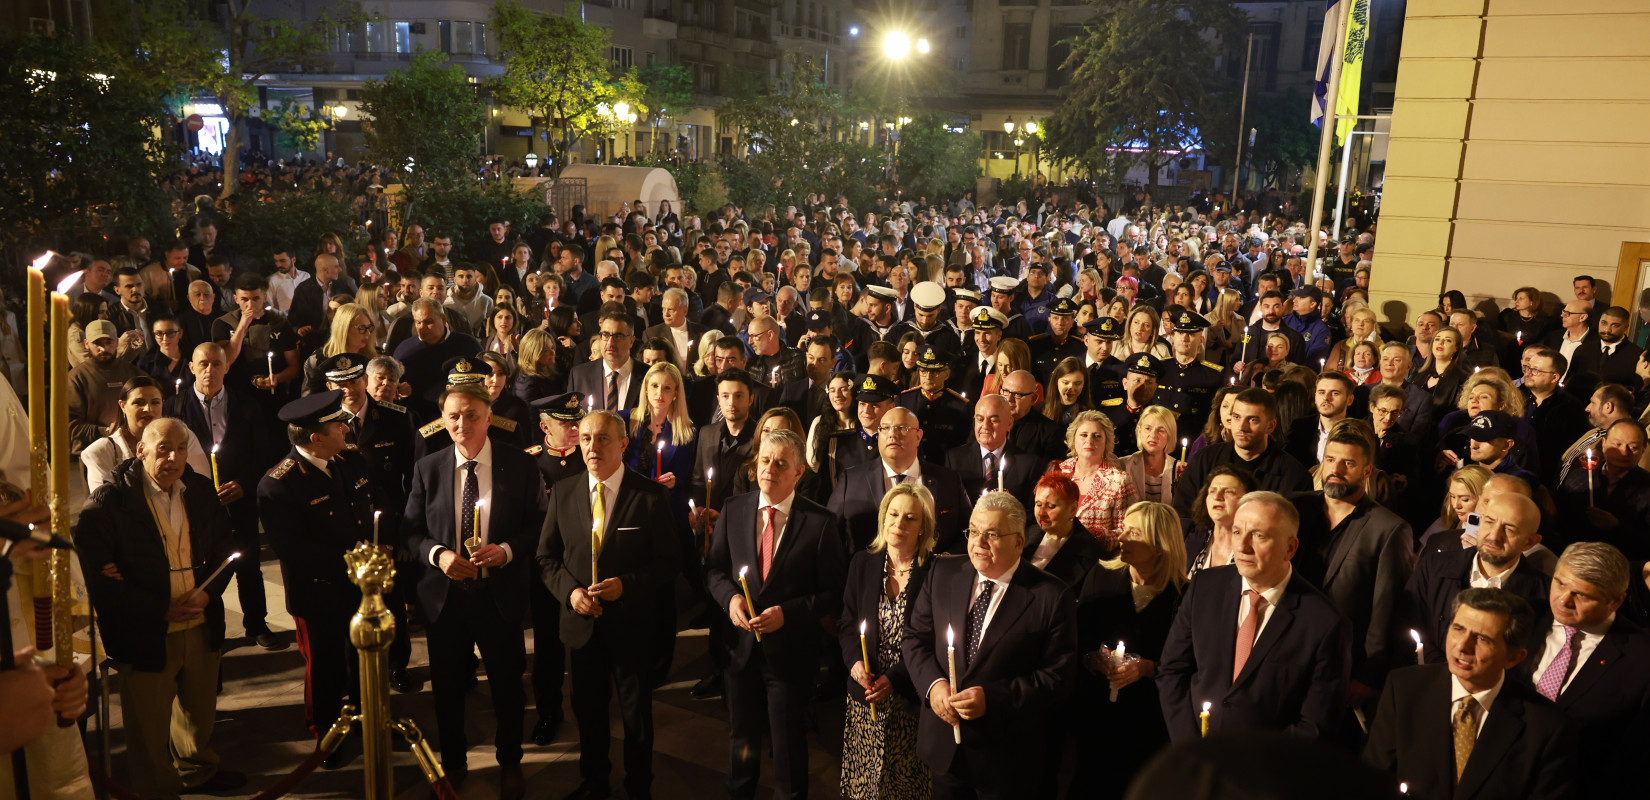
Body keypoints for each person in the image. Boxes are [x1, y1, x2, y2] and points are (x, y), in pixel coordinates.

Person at [76, 419, 247, 798]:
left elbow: (225, 550)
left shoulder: (200, 491)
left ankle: (197, 770)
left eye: (181, 449)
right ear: (140, 450)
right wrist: (158, 607)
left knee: (198, 713)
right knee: (148, 727)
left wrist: (209, 593)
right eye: (163, 448)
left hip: (201, 624)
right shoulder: (110, 502)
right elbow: (97, 577)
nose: (173, 457)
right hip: (145, 632)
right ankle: (157, 791)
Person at [402, 383, 546, 796]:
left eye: (470, 415)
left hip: (498, 595)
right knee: (447, 688)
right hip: (445, 599)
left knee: (506, 685)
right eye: (452, 416)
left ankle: (510, 761)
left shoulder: (518, 465)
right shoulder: (428, 468)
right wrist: (438, 556)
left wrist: (505, 550)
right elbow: (410, 533)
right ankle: (453, 764)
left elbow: (539, 526)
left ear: (488, 417)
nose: (461, 424)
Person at [536, 410, 678, 800]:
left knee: (636, 715)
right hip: (581, 627)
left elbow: (669, 563)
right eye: (585, 439)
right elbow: (546, 558)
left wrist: (626, 586)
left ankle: (638, 785)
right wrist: (571, 593)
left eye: (602, 439)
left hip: (632, 624)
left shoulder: (648, 495)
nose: (592, 447)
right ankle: (594, 781)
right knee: (588, 711)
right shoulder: (564, 492)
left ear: (622, 444)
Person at [901, 491, 1078, 800]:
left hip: (1006, 759)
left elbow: (1057, 677)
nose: (978, 543)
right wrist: (934, 686)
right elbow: (915, 638)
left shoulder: (1050, 595)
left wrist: (992, 699)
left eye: (992, 535)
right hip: (945, 749)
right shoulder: (943, 573)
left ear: (1019, 542)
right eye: (974, 531)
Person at [704, 428, 847, 800]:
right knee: (741, 737)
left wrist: (789, 612)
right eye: (765, 460)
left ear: (798, 472)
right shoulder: (735, 509)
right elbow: (714, 571)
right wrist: (731, 601)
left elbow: (834, 593)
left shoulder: (819, 522)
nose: (770, 469)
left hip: (789, 655)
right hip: (739, 649)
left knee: (787, 744)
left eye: (781, 463)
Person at [1156, 491, 1352, 742]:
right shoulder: (1204, 588)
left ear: (1290, 548)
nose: (1242, 546)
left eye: (1258, 535)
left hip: (1264, 774)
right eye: (1237, 532)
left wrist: (1247, 766)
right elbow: (1172, 671)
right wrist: (1191, 747)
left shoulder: (1325, 623)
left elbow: (1315, 727)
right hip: (1195, 761)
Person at [256, 391, 381, 766]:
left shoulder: (349, 461)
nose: (346, 428)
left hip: (359, 586)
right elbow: (295, 550)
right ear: (315, 438)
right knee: (325, 668)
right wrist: (354, 561)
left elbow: (367, 512)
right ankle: (328, 736)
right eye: (337, 425)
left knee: (362, 661)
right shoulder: (278, 484)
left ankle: (367, 721)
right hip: (320, 592)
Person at [1362, 588, 1573, 800]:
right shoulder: (1403, 689)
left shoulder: (1545, 728)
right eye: (1458, 629)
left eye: (1482, 638)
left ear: (1514, 658)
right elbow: (1373, 782)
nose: (1462, 646)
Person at [1290, 419, 1414, 712]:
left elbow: (1386, 611)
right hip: (1287, 650)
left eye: (1348, 463)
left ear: (1366, 470)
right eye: (1330, 460)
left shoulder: (1389, 529)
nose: (1336, 470)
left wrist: (1367, 677)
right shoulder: (1294, 508)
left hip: (1342, 664)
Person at [1070, 501, 1188, 800]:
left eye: (1133, 532)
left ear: (1159, 545)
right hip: (1097, 719)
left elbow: (1191, 663)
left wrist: (1148, 668)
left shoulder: (1185, 597)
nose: (1120, 537)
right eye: (1123, 528)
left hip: (1149, 725)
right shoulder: (1101, 577)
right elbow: (1076, 640)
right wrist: (1092, 658)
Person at [1518, 542, 1650, 796]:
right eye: (1560, 583)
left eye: (1582, 595)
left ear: (1616, 601)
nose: (1563, 600)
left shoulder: (1642, 659)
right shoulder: (1522, 617)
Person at [838, 482, 937, 800]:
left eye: (910, 518)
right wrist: (855, 664)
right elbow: (847, 626)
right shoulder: (862, 563)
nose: (899, 524)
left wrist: (894, 679)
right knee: (864, 787)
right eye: (893, 514)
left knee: (904, 788)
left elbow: (930, 642)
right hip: (865, 698)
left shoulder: (935, 572)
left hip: (909, 699)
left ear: (923, 527)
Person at [1405, 492, 1549, 665]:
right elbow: (1407, 626)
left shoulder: (1544, 595)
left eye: (1509, 529)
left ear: (1530, 542)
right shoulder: (1433, 567)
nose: (1494, 536)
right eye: (1489, 522)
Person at [828, 406, 972, 554]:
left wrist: (947, 559)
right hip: (868, 573)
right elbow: (830, 535)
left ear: (918, 436)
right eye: (885, 428)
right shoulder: (851, 480)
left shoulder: (948, 480)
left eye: (901, 428)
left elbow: (970, 531)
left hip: (933, 573)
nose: (892, 435)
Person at [1172, 388, 1313, 524]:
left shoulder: (1294, 475)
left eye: (1252, 420)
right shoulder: (1204, 460)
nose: (1241, 427)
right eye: (1236, 417)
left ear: (1271, 426)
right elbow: (1182, 516)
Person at [82, 376, 211, 494]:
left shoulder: (183, 436)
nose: (148, 409)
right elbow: (104, 504)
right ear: (123, 406)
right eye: (139, 402)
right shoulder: (100, 451)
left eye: (155, 402)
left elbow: (201, 485)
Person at [944, 393, 1046, 502]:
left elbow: (1032, 512)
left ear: (1009, 423)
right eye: (980, 419)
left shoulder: (1028, 464)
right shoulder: (955, 459)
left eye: (993, 420)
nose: (985, 426)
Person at [1022, 472, 1108, 591]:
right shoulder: (1024, 534)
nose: (1041, 513)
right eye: (1038, 504)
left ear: (1072, 509)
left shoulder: (1092, 557)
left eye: (1051, 506)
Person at [68, 319, 145, 449]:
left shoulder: (133, 373)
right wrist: (106, 431)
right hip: (93, 452)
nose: (104, 348)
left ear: (116, 342)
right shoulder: (77, 377)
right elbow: (69, 425)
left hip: (134, 449)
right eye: (97, 343)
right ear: (86, 344)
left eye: (109, 342)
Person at [896, 345, 973, 464]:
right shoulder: (904, 400)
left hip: (944, 467)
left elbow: (962, 446)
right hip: (910, 463)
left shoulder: (961, 406)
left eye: (935, 372)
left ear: (946, 374)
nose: (928, 377)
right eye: (923, 371)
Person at [1185, 465, 1259, 578]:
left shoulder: (1256, 547)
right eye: (1212, 491)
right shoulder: (1187, 536)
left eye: (1229, 492)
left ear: (1248, 500)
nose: (1217, 497)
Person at [567, 306, 642, 412]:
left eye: (618, 336)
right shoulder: (579, 375)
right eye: (605, 335)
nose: (610, 343)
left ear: (631, 341)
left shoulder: (647, 375)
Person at [1120, 405, 1181, 505]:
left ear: (1170, 435)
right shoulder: (1122, 465)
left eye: (1161, 430)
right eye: (1148, 428)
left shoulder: (1180, 470)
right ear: (1139, 432)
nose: (1153, 435)